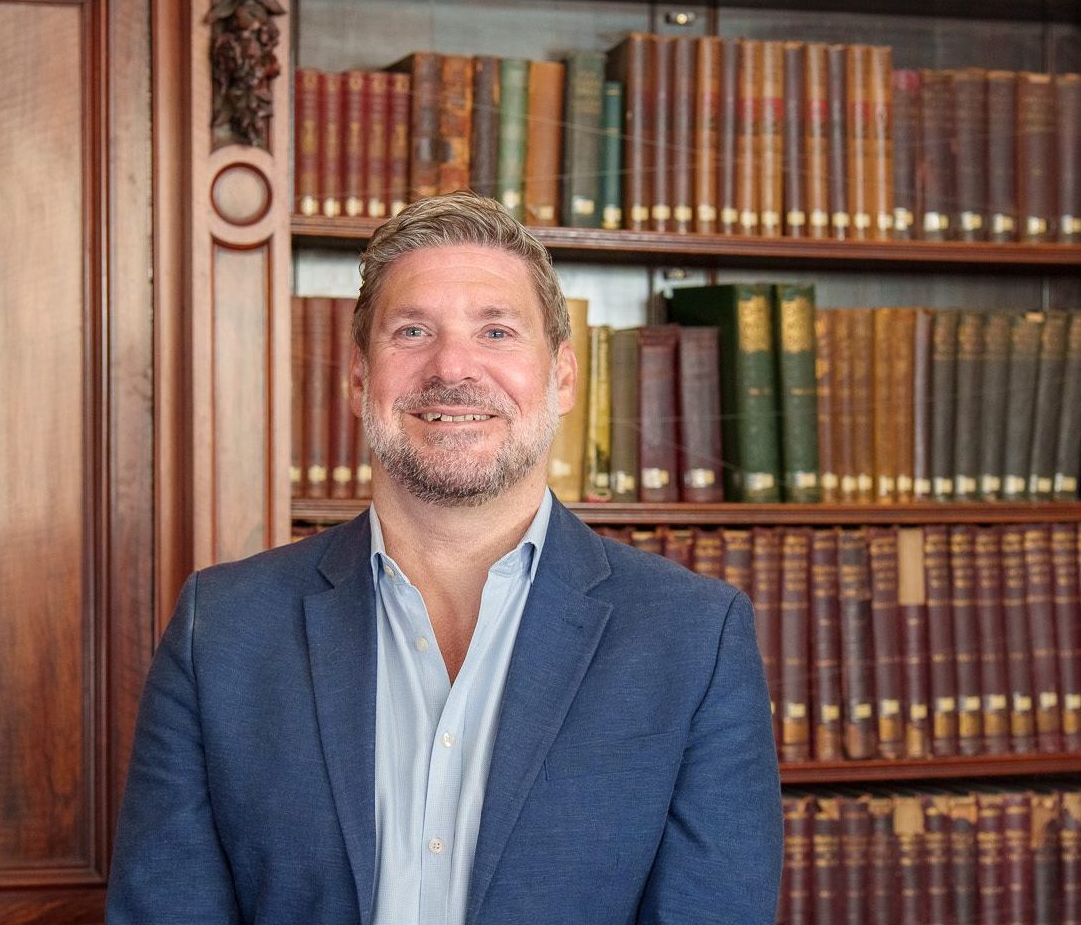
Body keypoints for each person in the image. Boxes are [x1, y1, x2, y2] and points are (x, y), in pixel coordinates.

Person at [106, 191, 783, 924]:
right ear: (360, 379)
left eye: (495, 331)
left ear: (560, 377)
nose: (451, 365)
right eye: (412, 331)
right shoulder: (224, 628)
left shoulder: (693, 637)